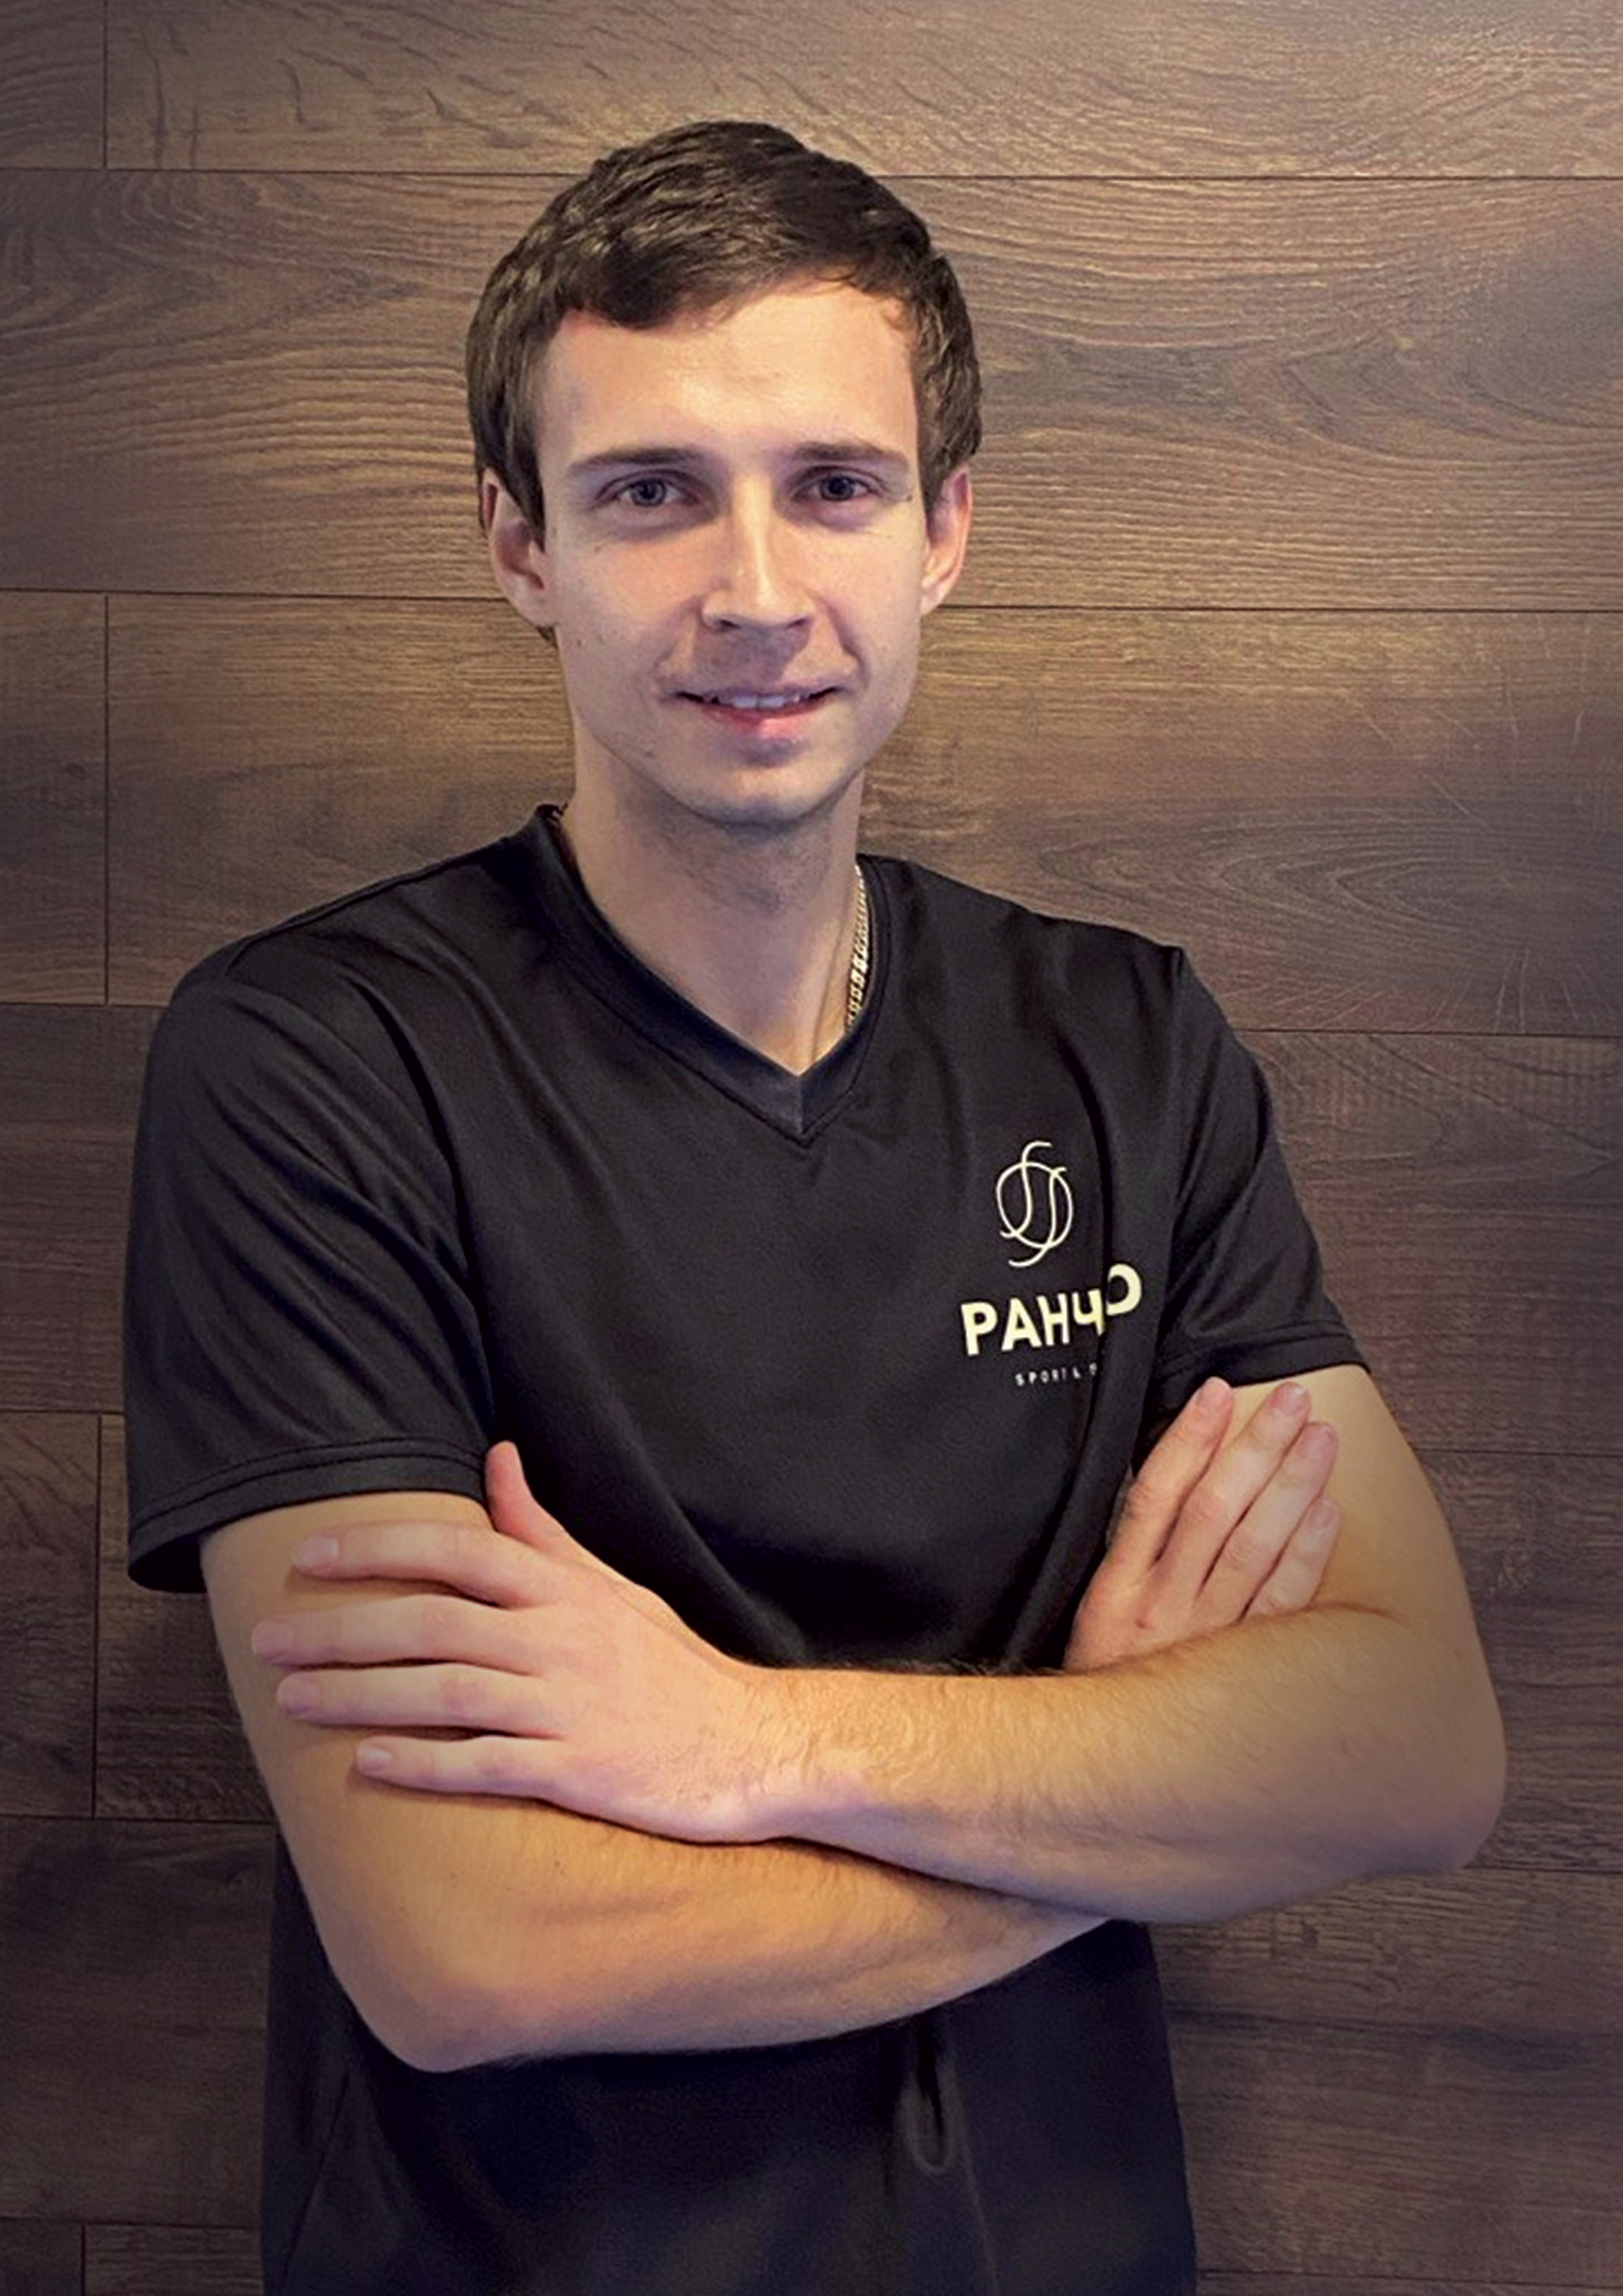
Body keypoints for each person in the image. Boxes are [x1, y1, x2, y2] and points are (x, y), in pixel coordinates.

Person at [122, 118, 1506, 2296]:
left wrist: (738, 1737)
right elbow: (470, 1948)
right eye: (649, 492)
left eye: (836, 485)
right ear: (518, 543)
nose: (756, 590)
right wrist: (1132, 1786)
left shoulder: (1125, 1042)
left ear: (945, 529)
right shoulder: (316, 1063)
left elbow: (1412, 1748)